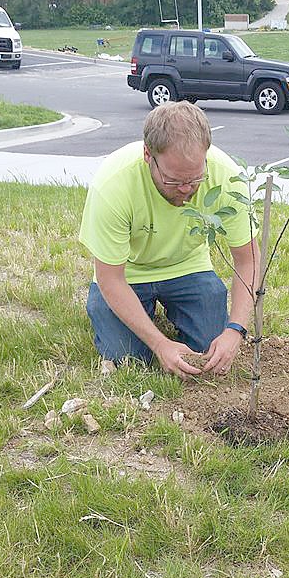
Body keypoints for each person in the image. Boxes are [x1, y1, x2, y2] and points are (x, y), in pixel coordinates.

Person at [79, 102, 259, 379]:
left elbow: (248, 260)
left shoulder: (228, 177)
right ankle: (143, 317)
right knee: (130, 359)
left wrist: (235, 330)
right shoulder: (113, 185)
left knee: (207, 353)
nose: (187, 189)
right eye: (174, 180)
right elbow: (110, 278)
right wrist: (160, 343)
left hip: (188, 267)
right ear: (148, 155)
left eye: (196, 178)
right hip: (129, 273)